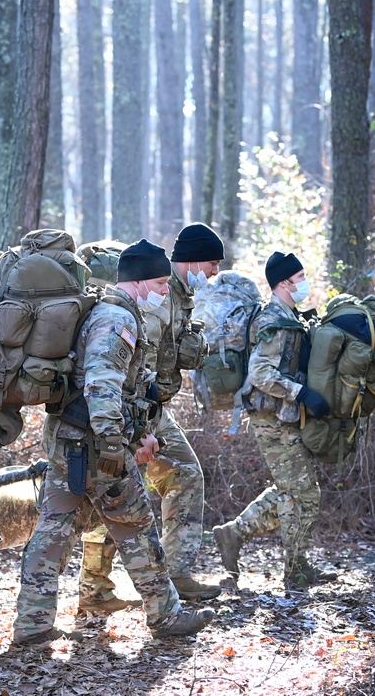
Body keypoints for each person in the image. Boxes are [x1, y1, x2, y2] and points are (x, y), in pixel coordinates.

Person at [11, 239, 215, 647]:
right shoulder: (115, 318)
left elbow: (127, 389)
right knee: (136, 527)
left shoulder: (108, 311)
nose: (163, 291)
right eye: (159, 283)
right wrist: (112, 445)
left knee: (52, 529)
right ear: (137, 282)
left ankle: (31, 624)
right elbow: (103, 384)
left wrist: (135, 432)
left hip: (70, 441)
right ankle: (166, 615)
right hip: (95, 447)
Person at [78, 223, 226, 611]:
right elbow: (134, 361)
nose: (214, 272)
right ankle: (95, 588)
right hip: (134, 409)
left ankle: (173, 573)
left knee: (180, 475)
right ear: (192, 259)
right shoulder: (158, 294)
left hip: (150, 408)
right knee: (118, 491)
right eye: (212, 263)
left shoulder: (180, 294)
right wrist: (137, 421)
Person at [211, 251, 339, 588]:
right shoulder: (272, 321)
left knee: (294, 490)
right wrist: (300, 393)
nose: (304, 284)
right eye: (299, 279)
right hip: (271, 419)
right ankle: (295, 570)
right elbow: (260, 373)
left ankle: (234, 534)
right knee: (303, 494)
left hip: (283, 417)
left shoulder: (289, 316)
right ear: (283, 283)